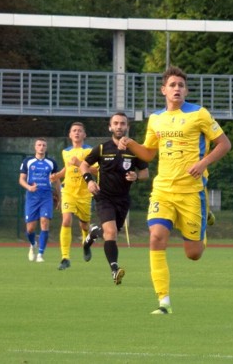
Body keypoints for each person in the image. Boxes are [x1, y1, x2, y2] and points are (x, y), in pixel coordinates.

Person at [119, 66, 232, 315]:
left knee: (193, 254)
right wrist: (131, 144)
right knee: (156, 237)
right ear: (163, 90)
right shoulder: (155, 119)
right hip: (163, 190)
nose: (177, 89)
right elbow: (148, 153)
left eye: (181, 85)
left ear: (186, 90)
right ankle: (164, 302)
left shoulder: (199, 114)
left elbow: (224, 144)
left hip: (191, 192)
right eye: (172, 85)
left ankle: (205, 218)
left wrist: (203, 163)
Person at [79, 112, 149, 285]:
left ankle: (93, 234)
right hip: (104, 197)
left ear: (127, 127)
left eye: (122, 123)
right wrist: (89, 181)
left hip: (123, 200)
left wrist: (136, 176)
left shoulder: (134, 149)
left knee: (109, 234)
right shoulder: (102, 148)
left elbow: (145, 173)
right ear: (110, 127)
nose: (119, 126)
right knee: (110, 233)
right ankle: (114, 270)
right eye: (116, 123)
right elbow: (84, 165)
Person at [50, 122, 98, 270]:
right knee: (66, 220)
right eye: (74, 131)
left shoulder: (90, 151)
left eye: (79, 131)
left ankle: (86, 243)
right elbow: (67, 169)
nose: (76, 133)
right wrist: (57, 175)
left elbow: (96, 171)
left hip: (84, 193)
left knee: (84, 224)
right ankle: (65, 258)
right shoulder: (66, 152)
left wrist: (79, 164)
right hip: (68, 191)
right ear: (70, 135)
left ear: (84, 135)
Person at [19, 138, 61, 262]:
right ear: (35, 147)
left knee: (44, 222)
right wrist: (29, 187)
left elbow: (57, 180)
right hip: (32, 197)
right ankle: (33, 245)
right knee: (30, 229)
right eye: (39, 145)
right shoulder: (28, 162)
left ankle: (40, 254)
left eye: (44, 145)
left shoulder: (51, 163)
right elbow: (21, 179)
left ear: (46, 148)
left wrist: (60, 196)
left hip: (46, 196)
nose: (41, 147)